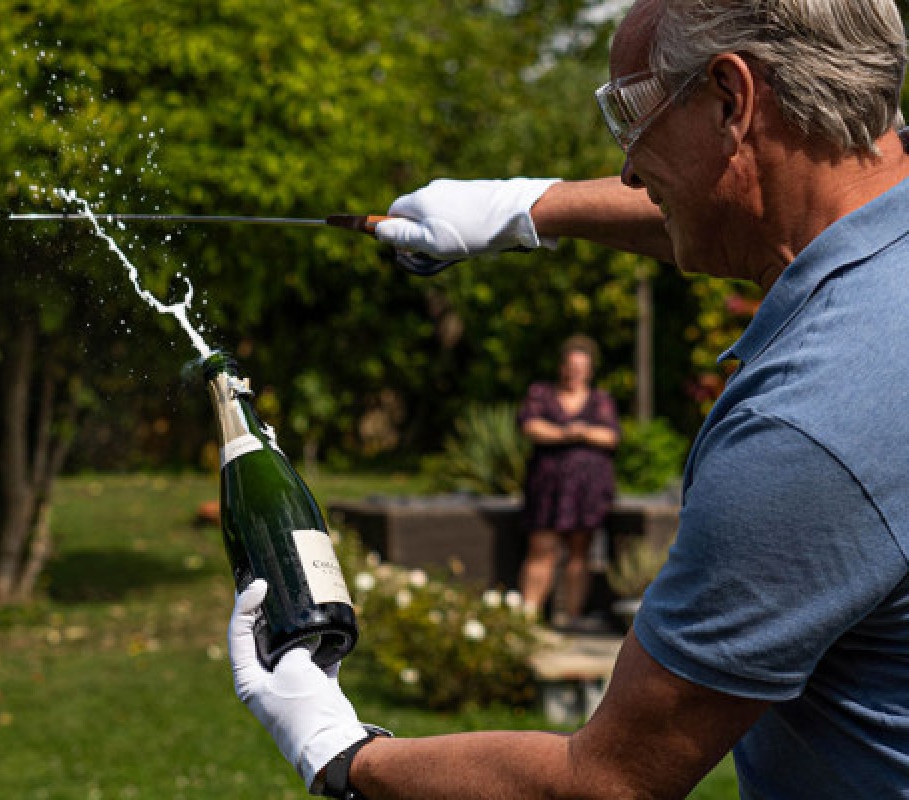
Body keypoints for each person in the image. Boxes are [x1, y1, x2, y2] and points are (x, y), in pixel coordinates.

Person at [227, 1, 909, 798]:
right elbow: (772, 207)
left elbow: (609, 781)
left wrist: (339, 750)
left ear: (731, 99)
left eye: (635, 113)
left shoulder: (804, 428)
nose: (627, 170)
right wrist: (528, 208)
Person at [517, 335, 619, 629]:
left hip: (587, 489)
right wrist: (568, 434)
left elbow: (611, 436)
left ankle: (572, 618)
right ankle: (527, 617)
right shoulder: (541, 394)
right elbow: (530, 426)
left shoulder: (600, 400)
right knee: (542, 548)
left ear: (589, 370)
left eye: (581, 367)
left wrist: (580, 432)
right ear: (562, 367)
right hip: (547, 488)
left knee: (579, 552)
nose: (575, 373)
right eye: (571, 366)